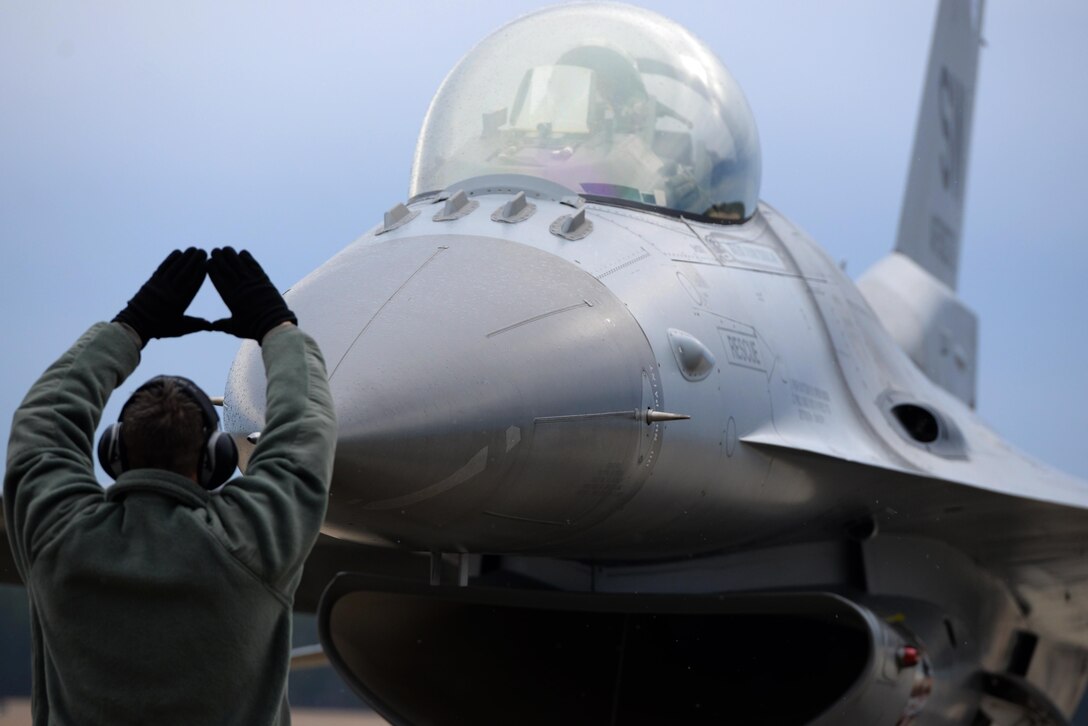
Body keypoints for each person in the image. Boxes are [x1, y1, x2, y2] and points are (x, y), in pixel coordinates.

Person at [3, 247, 337, 725]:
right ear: (215, 462)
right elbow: (306, 425)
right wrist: (277, 329)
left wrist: (133, 324)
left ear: (114, 453)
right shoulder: (252, 542)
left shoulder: (59, 538)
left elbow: (45, 418)